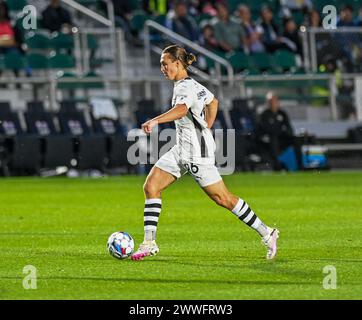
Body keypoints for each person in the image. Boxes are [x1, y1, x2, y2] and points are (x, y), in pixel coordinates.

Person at [131, 44, 279, 261]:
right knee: (151, 186)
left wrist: (155, 121)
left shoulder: (184, 88)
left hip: (196, 153)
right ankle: (149, 242)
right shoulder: (193, 85)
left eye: (165, 64)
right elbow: (213, 101)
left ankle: (267, 233)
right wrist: (207, 124)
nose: (162, 68)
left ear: (178, 63)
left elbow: (182, 109)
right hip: (181, 148)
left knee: (224, 199)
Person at [257, 92, 303, 171]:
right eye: (271, 102)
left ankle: (300, 166)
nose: (273, 103)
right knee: (273, 138)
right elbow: (265, 128)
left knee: (296, 140)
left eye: (275, 101)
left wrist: (286, 132)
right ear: (268, 103)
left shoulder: (282, 113)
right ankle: (277, 166)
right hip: (269, 139)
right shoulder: (265, 114)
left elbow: (288, 127)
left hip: (282, 138)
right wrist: (279, 130)